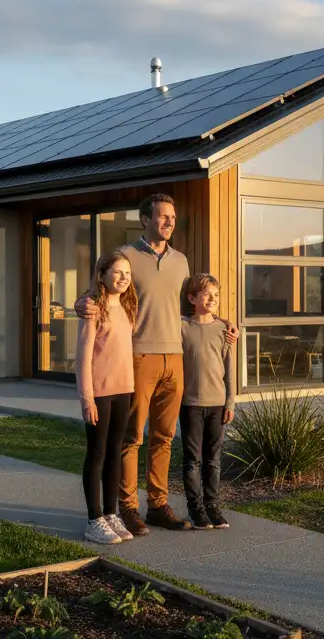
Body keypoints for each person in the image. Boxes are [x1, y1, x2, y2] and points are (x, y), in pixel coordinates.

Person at [75, 193, 238, 537]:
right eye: (163, 217)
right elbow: (104, 289)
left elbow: (191, 304)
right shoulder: (128, 257)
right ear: (145, 219)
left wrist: (224, 322)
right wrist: (81, 303)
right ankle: (128, 508)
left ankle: (158, 506)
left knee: (164, 437)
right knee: (132, 436)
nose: (169, 223)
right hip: (138, 357)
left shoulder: (181, 262)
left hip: (175, 357)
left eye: (173, 219)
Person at [74, 250, 138, 545]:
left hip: (123, 390)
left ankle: (112, 514)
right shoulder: (92, 310)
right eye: (117, 272)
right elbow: (83, 359)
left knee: (115, 453)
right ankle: (94, 520)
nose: (123, 278)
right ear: (102, 275)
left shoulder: (127, 308)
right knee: (97, 454)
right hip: (99, 393)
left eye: (127, 273)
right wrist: (87, 399)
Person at [180, 273, 234, 530]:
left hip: (217, 404)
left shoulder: (224, 330)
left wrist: (230, 402)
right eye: (206, 294)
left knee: (213, 458)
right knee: (193, 459)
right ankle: (196, 509)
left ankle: (212, 506)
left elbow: (229, 367)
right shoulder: (182, 326)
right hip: (190, 403)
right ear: (192, 298)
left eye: (216, 295)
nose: (212, 299)